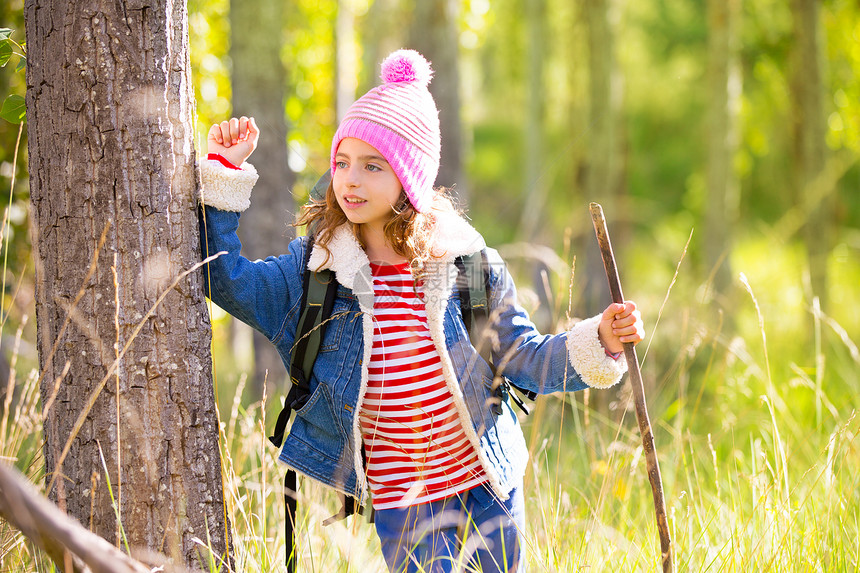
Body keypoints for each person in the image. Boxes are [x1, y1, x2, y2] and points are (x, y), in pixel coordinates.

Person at [199, 49, 644, 573]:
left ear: (409, 178)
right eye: (342, 162)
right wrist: (224, 173)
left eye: (372, 166)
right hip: (402, 499)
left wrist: (602, 341)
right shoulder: (317, 270)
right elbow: (227, 281)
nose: (350, 180)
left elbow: (521, 355)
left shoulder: (465, 268)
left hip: (484, 481)